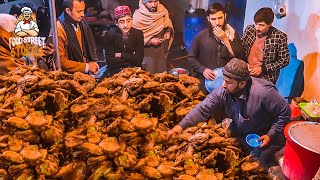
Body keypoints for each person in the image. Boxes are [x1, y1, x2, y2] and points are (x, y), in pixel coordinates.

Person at [167, 58, 291, 169]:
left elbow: (284, 111)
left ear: (242, 83)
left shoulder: (264, 93)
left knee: (262, 163)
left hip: (264, 134)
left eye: (228, 82)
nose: (223, 85)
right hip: (241, 131)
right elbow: (202, 109)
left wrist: (271, 134)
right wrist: (180, 127)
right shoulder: (224, 91)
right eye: (224, 80)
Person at [188, 3, 244, 94]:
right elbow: (191, 57)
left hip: (226, 85)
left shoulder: (232, 35)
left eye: (220, 18)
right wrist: (203, 69)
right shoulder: (201, 36)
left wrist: (225, 39)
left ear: (225, 16)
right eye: (213, 19)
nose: (217, 23)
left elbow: (240, 57)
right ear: (208, 19)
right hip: (205, 83)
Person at [242, 7, 289, 84]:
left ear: (270, 24)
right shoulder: (249, 29)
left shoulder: (279, 37)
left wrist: (263, 68)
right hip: (245, 73)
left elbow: (284, 60)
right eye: (256, 24)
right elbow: (241, 49)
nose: (257, 28)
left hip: (265, 78)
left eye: (261, 25)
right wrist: (244, 64)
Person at [55, 0, 99, 74]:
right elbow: (60, 61)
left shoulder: (81, 24)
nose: (83, 14)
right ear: (68, 10)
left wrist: (92, 64)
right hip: (67, 77)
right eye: (79, 11)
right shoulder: (58, 28)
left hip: (84, 75)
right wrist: (87, 67)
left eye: (83, 11)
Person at [132, 0, 174, 74]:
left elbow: (168, 23)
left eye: (155, 1)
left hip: (161, 52)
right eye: (150, 2)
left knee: (162, 76)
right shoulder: (138, 17)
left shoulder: (162, 10)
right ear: (144, 2)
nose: (153, 5)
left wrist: (168, 31)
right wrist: (149, 41)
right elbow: (134, 39)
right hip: (147, 54)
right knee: (149, 78)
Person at [105, 5, 144, 76]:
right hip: (116, 71)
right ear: (116, 22)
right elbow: (110, 61)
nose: (126, 25)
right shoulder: (110, 34)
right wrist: (131, 57)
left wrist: (121, 55)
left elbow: (139, 60)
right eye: (122, 22)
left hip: (134, 71)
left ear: (132, 20)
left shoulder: (138, 34)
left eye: (128, 21)